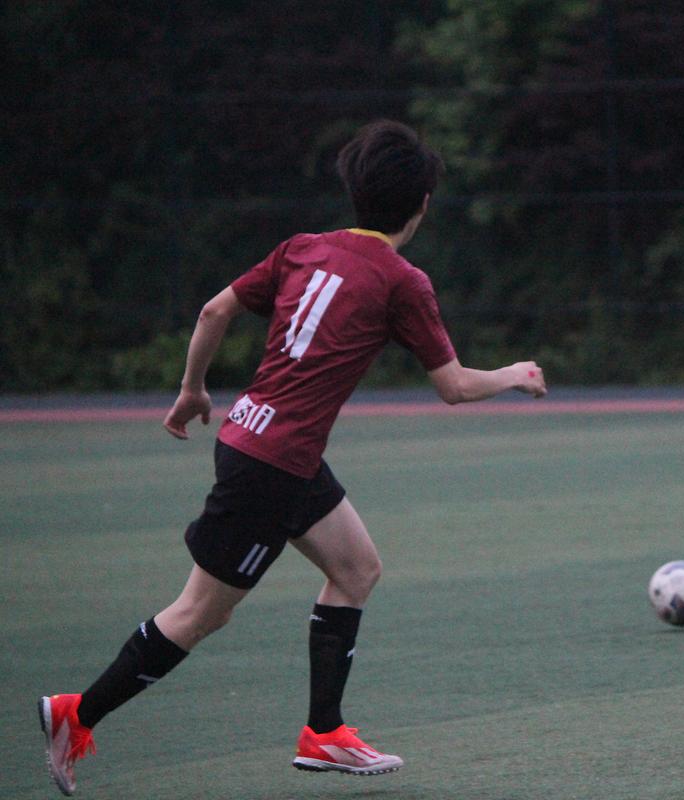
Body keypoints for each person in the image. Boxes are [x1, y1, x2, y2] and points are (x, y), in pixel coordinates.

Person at [39, 120, 547, 796]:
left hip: (263, 442)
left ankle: (324, 734)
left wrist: (192, 389)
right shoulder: (403, 281)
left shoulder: (303, 247)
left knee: (357, 568)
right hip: (272, 467)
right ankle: (76, 713)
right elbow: (453, 386)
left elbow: (214, 311)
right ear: (422, 203)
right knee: (200, 613)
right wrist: (513, 374)